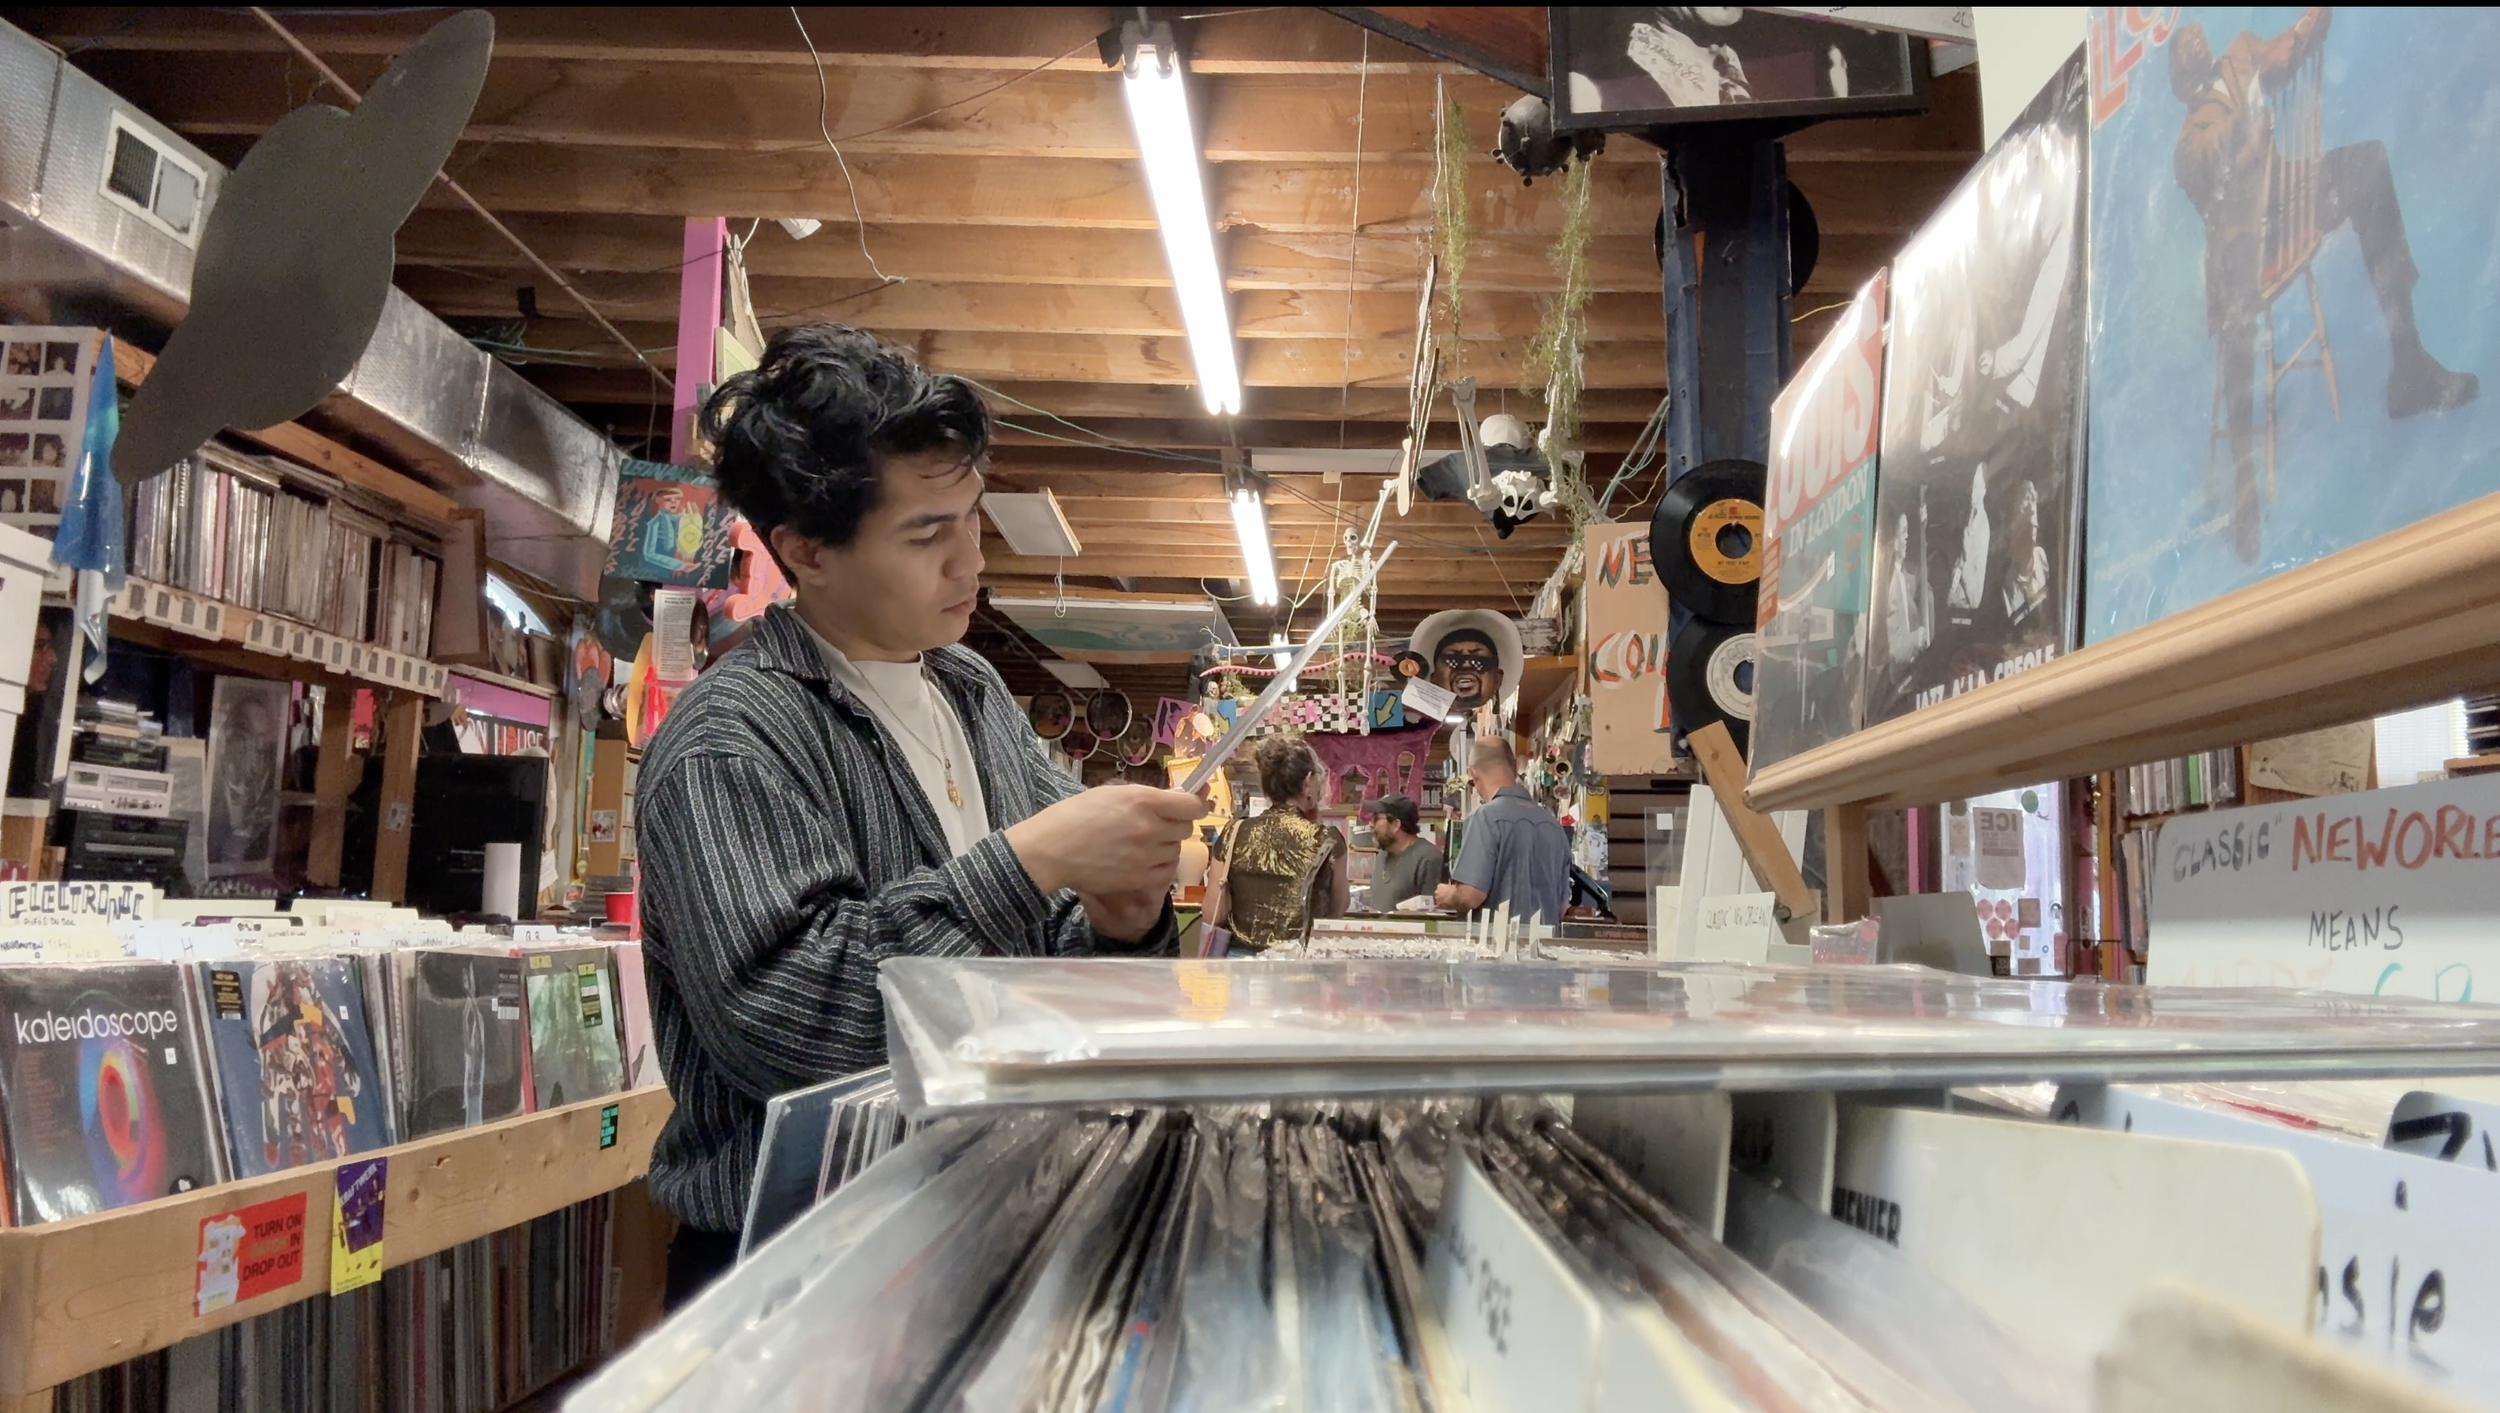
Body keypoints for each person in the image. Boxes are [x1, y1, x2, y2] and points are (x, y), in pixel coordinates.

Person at [635, 325, 1204, 1309]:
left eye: (972, 517)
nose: (968, 562)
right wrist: (1029, 862)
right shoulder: (731, 741)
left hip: (982, 1229)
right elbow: (798, 1028)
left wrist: (1122, 918)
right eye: (925, 533)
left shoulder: (969, 688)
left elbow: (1038, 985)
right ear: (805, 550)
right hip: (800, 1272)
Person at [2168, 7, 2475, 559]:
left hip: (2287, 197)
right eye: (2185, 58)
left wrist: (2313, 20)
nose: (2195, 50)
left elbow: (2288, 50)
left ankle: (2409, 365)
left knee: (2367, 162)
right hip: (2242, 244)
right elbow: (2212, 162)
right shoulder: (2188, 142)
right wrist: (2245, 116)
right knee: (2240, 320)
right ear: (2182, 85)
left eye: (2197, 46)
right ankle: (2245, 492)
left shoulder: (2239, 52)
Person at [1203, 736, 1346, 951]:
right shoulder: (1328, 840)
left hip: (1240, 965)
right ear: (1307, 781)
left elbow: (1213, 912)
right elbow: (1338, 908)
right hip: (1300, 965)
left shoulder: (1234, 832)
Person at [1434, 738, 1571, 923]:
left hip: (1496, 947)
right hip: (1543, 947)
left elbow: (1470, 895)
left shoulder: (1484, 818)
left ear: (1474, 774)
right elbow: (1561, 907)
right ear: (1514, 768)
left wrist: (1448, 894)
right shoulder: (1553, 825)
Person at [1363, 794, 1445, 908]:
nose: (1371, 824)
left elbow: (1432, 914)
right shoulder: (1382, 855)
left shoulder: (1428, 858)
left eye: (1376, 818)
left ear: (1396, 825)